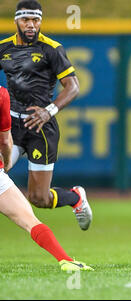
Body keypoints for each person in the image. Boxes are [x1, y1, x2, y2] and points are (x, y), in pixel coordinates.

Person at [0, 0, 92, 230]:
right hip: (11, 125)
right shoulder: (4, 48)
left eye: (36, 20)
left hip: (41, 128)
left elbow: (73, 87)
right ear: (16, 21)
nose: (31, 25)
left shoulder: (51, 48)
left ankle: (75, 198)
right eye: (26, 20)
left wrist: (48, 111)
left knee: (39, 198)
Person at [0, 85, 92, 271]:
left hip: (38, 131)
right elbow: (5, 141)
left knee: (38, 200)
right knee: (29, 220)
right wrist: (6, 162)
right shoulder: (1, 94)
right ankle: (66, 260)